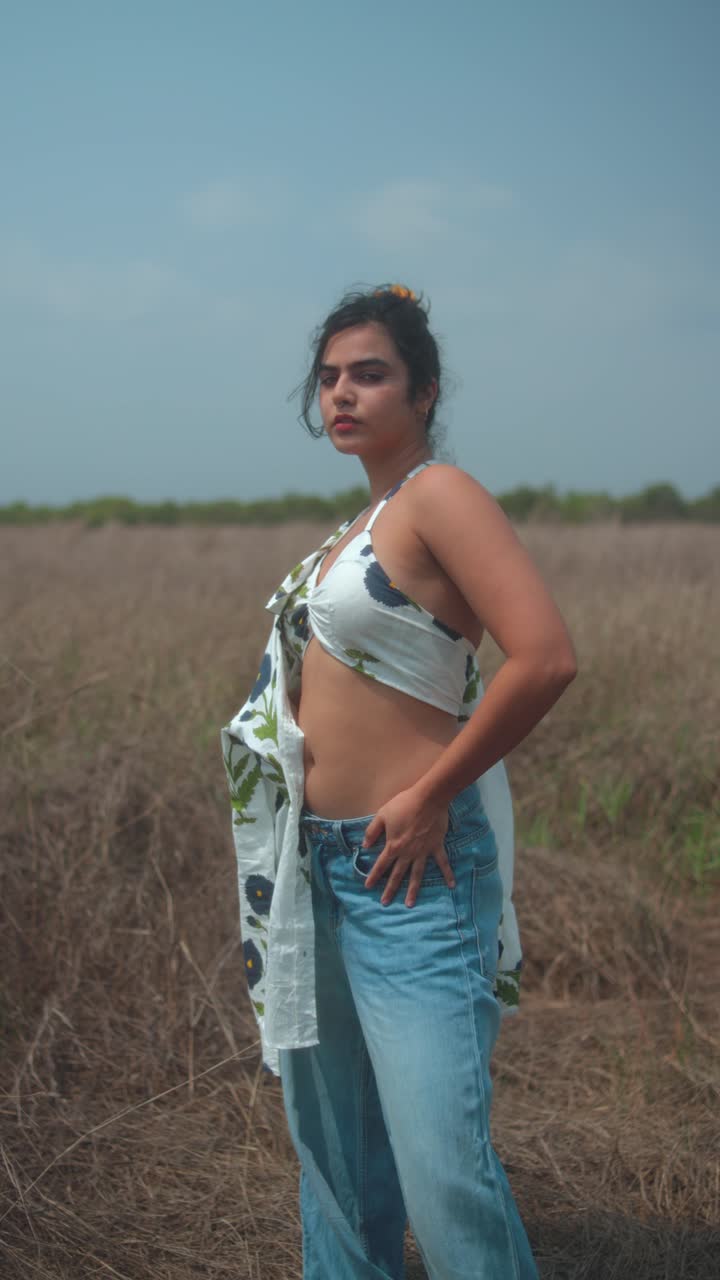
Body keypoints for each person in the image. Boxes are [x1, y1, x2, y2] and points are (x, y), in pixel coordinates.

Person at [221, 283, 577, 1279]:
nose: (342, 392)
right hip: (315, 868)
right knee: (333, 1159)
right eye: (329, 377)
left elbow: (544, 656)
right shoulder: (354, 525)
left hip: (407, 866)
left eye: (369, 373)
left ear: (421, 390)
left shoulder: (439, 496)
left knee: (440, 1165)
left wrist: (428, 793)